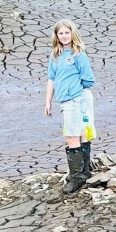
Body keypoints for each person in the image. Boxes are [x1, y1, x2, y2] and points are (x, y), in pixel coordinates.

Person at [43, 19, 97, 193]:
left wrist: (74, 89)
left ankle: (77, 176)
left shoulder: (78, 54)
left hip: (77, 99)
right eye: (61, 33)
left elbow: (88, 79)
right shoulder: (55, 55)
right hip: (66, 100)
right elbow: (51, 78)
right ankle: (83, 171)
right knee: (79, 133)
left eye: (67, 32)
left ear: (72, 33)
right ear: (56, 36)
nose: (64, 36)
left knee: (72, 135)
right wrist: (48, 101)